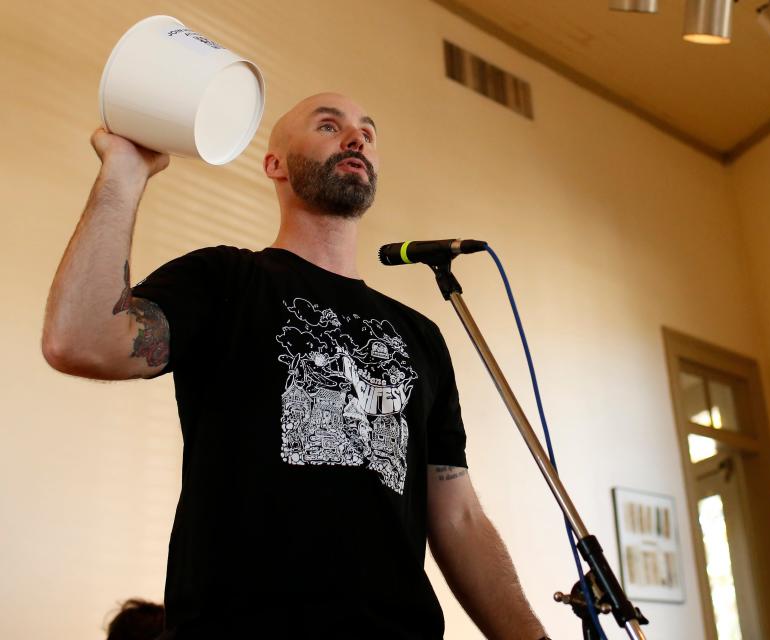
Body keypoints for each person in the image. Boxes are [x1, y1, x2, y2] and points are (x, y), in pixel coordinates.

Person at [43, 93, 549, 639]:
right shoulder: (225, 280)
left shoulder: (420, 336)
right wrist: (124, 171)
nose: (356, 138)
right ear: (274, 164)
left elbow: (459, 518)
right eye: (329, 126)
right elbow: (81, 339)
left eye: (367, 133)